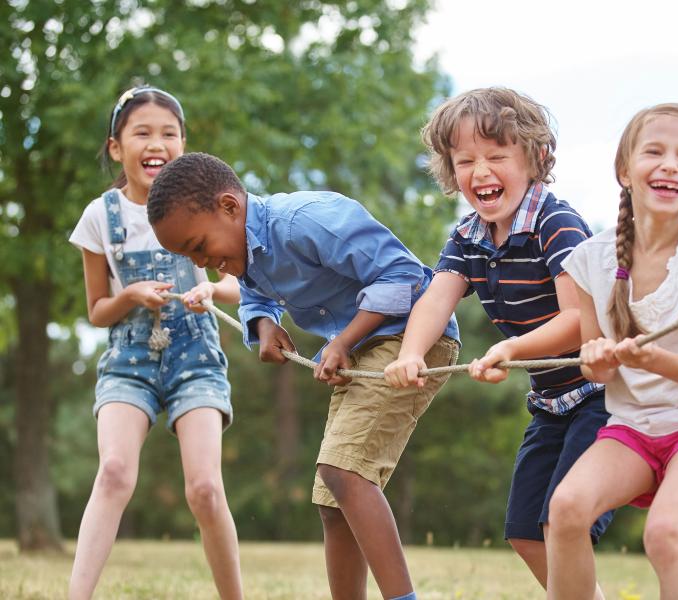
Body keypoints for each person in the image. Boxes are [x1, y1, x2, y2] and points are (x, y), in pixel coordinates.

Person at [146, 151, 460, 600]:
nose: (207, 263)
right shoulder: (247, 254)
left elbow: (403, 274)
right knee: (333, 500)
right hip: (362, 348)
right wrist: (264, 325)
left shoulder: (305, 220)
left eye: (199, 247)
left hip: (411, 338)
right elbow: (255, 296)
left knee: (343, 473)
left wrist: (343, 341)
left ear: (230, 207)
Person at [384, 87, 612, 596]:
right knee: (525, 533)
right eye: (465, 160)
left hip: (603, 395)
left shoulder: (556, 224)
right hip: (552, 402)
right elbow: (435, 301)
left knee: (561, 520)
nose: (480, 171)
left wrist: (510, 349)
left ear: (533, 157)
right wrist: (410, 353)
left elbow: (577, 319)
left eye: (496, 156)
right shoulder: (468, 237)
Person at [547, 103, 678, 600]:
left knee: (665, 534)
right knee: (566, 509)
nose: (669, 165)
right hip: (634, 426)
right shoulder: (591, 261)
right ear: (625, 170)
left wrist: (651, 359)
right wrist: (598, 363)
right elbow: (596, 362)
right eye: (654, 152)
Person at [68, 86, 243, 600]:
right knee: (115, 472)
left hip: (196, 358)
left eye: (169, 133)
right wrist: (132, 297)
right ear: (117, 147)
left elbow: (238, 283)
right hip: (129, 360)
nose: (157, 143)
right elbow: (98, 310)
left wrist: (211, 286)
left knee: (205, 489)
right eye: (142, 132)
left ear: (183, 145)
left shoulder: (208, 205)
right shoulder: (100, 216)